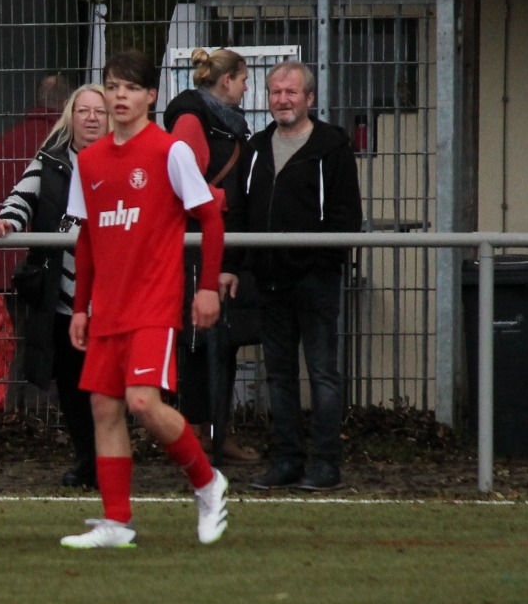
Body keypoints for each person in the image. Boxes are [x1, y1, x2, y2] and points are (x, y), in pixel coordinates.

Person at [60, 49, 229, 550]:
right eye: (113, 86)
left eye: (131, 88)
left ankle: (207, 482)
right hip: (107, 308)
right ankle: (117, 522)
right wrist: (80, 307)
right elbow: (87, 238)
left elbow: (211, 218)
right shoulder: (88, 160)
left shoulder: (169, 151)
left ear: (151, 95)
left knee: (141, 402)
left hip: (153, 304)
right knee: (104, 408)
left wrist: (207, 287)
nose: (120, 97)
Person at [240, 61, 364, 492]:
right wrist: (241, 267)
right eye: (275, 92)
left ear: (309, 98)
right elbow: (242, 213)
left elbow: (348, 216)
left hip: (315, 281)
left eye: (291, 92)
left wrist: (319, 263)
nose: (282, 100)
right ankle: (287, 460)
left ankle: (326, 463)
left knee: (322, 374)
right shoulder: (255, 149)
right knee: (278, 375)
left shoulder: (333, 148)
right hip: (269, 281)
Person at [0, 83, 109, 486]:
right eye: (83, 111)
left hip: (111, 293)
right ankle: (88, 461)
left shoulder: (122, 160)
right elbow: (21, 199)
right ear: (70, 117)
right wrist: (7, 220)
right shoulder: (51, 160)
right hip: (62, 294)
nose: (91, 118)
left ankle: (109, 461)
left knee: (108, 386)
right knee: (71, 384)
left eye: (100, 111)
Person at [161, 47, 259, 468]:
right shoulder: (193, 120)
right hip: (197, 248)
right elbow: (185, 186)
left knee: (218, 343)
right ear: (226, 80)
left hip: (215, 245)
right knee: (200, 345)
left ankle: (213, 431)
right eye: (244, 79)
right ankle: (200, 434)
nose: (246, 88)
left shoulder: (218, 121)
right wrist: (217, 199)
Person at [0, 72, 67, 223]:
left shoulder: (3, 144)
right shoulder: (64, 143)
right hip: (50, 235)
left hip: (1, 232)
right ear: (67, 104)